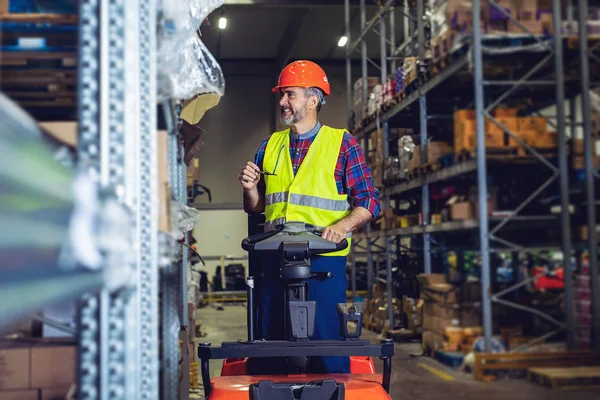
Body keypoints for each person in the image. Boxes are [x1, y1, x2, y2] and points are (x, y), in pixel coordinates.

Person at [238, 60, 380, 374]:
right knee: (269, 352)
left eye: (290, 94)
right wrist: (250, 189)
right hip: (273, 264)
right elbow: (256, 207)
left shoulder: (342, 144)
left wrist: (342, 226)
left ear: (313, 100)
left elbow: (370, 201)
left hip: (323, 266)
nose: (282, 101)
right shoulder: (270, 146)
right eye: (282, 95)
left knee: (327, 349)